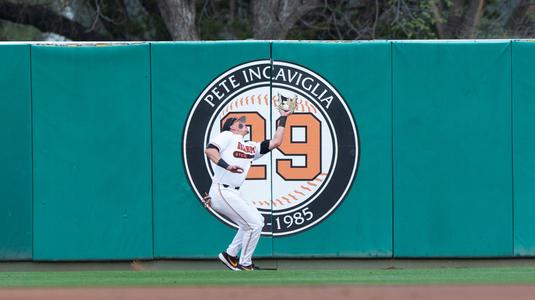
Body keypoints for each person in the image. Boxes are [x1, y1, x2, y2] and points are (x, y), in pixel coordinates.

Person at [203, 109, 292, 271]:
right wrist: (227, 166)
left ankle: (230, 255)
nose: (243, 123)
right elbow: (210, 150)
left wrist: (284, 118)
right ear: (232, 127)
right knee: (255, 224)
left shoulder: (250, 146)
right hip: (222, 190)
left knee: (256, 221)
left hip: (234, 192)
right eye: (239, 122)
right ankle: (245, 263)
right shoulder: (227, 136)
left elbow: (276, 142)